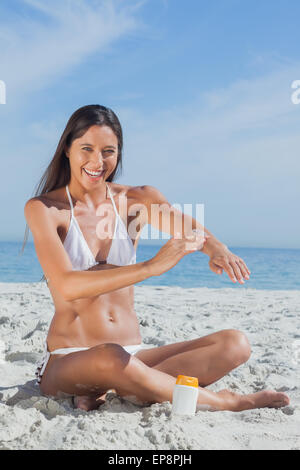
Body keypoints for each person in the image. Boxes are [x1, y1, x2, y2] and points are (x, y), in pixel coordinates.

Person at [23, 104, 289, 412]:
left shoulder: (135, 201)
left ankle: (122, 387)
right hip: (69, 358)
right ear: (67, 149)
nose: (98, 161)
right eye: (87, 149)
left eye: (108, 151)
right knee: (109, 357)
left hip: (132, 353)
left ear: (118, 153)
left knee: (235, 344)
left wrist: (216, 248)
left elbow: (183, 225)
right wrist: (151, 266)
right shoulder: (44, 209)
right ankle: (226, 402)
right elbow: (67, 286)